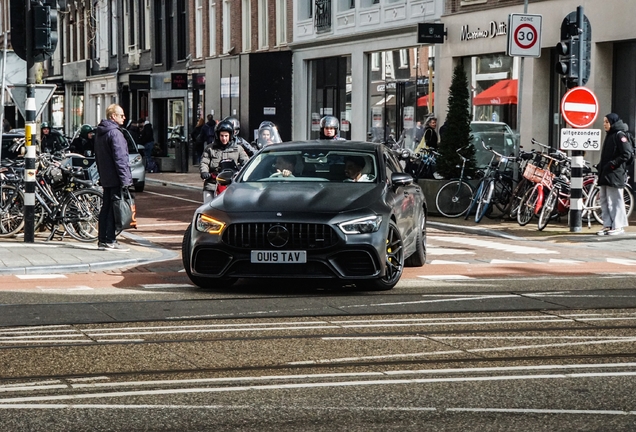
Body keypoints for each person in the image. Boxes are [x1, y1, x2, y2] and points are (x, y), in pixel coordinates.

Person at [94, 104, 132, 251]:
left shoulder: (101, 132)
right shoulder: (115, 133)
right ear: (113, 116)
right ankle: (110, 239)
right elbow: (120, 158)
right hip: (115, 177)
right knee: (113, 209)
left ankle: (103, 239)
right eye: (121, 115)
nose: (124, 118)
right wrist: (125, 180)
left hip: (106, 176)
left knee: (106, 207)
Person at [596, 113, 633, 236]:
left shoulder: (619, 135)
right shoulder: (610, 135)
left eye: (606, 122)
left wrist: (612, 164)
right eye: (604, 122)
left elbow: (627, 153)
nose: (604, 124)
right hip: (606, 173)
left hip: (615, 174)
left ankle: (618, 225)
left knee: (615, 200)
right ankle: (607, 224)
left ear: (613, 123)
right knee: (604, 200)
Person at [199, 120, 249, 203]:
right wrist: (204, 172)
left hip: (231, 186)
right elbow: (204, 162)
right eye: (221, 135)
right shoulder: (209, 149)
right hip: (212, 184)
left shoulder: (238, 149)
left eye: (226, 136)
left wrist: (245, 172)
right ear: (217, 135)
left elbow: (246, 163)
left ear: (231, 135)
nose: (224, 138)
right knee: (207, 208)